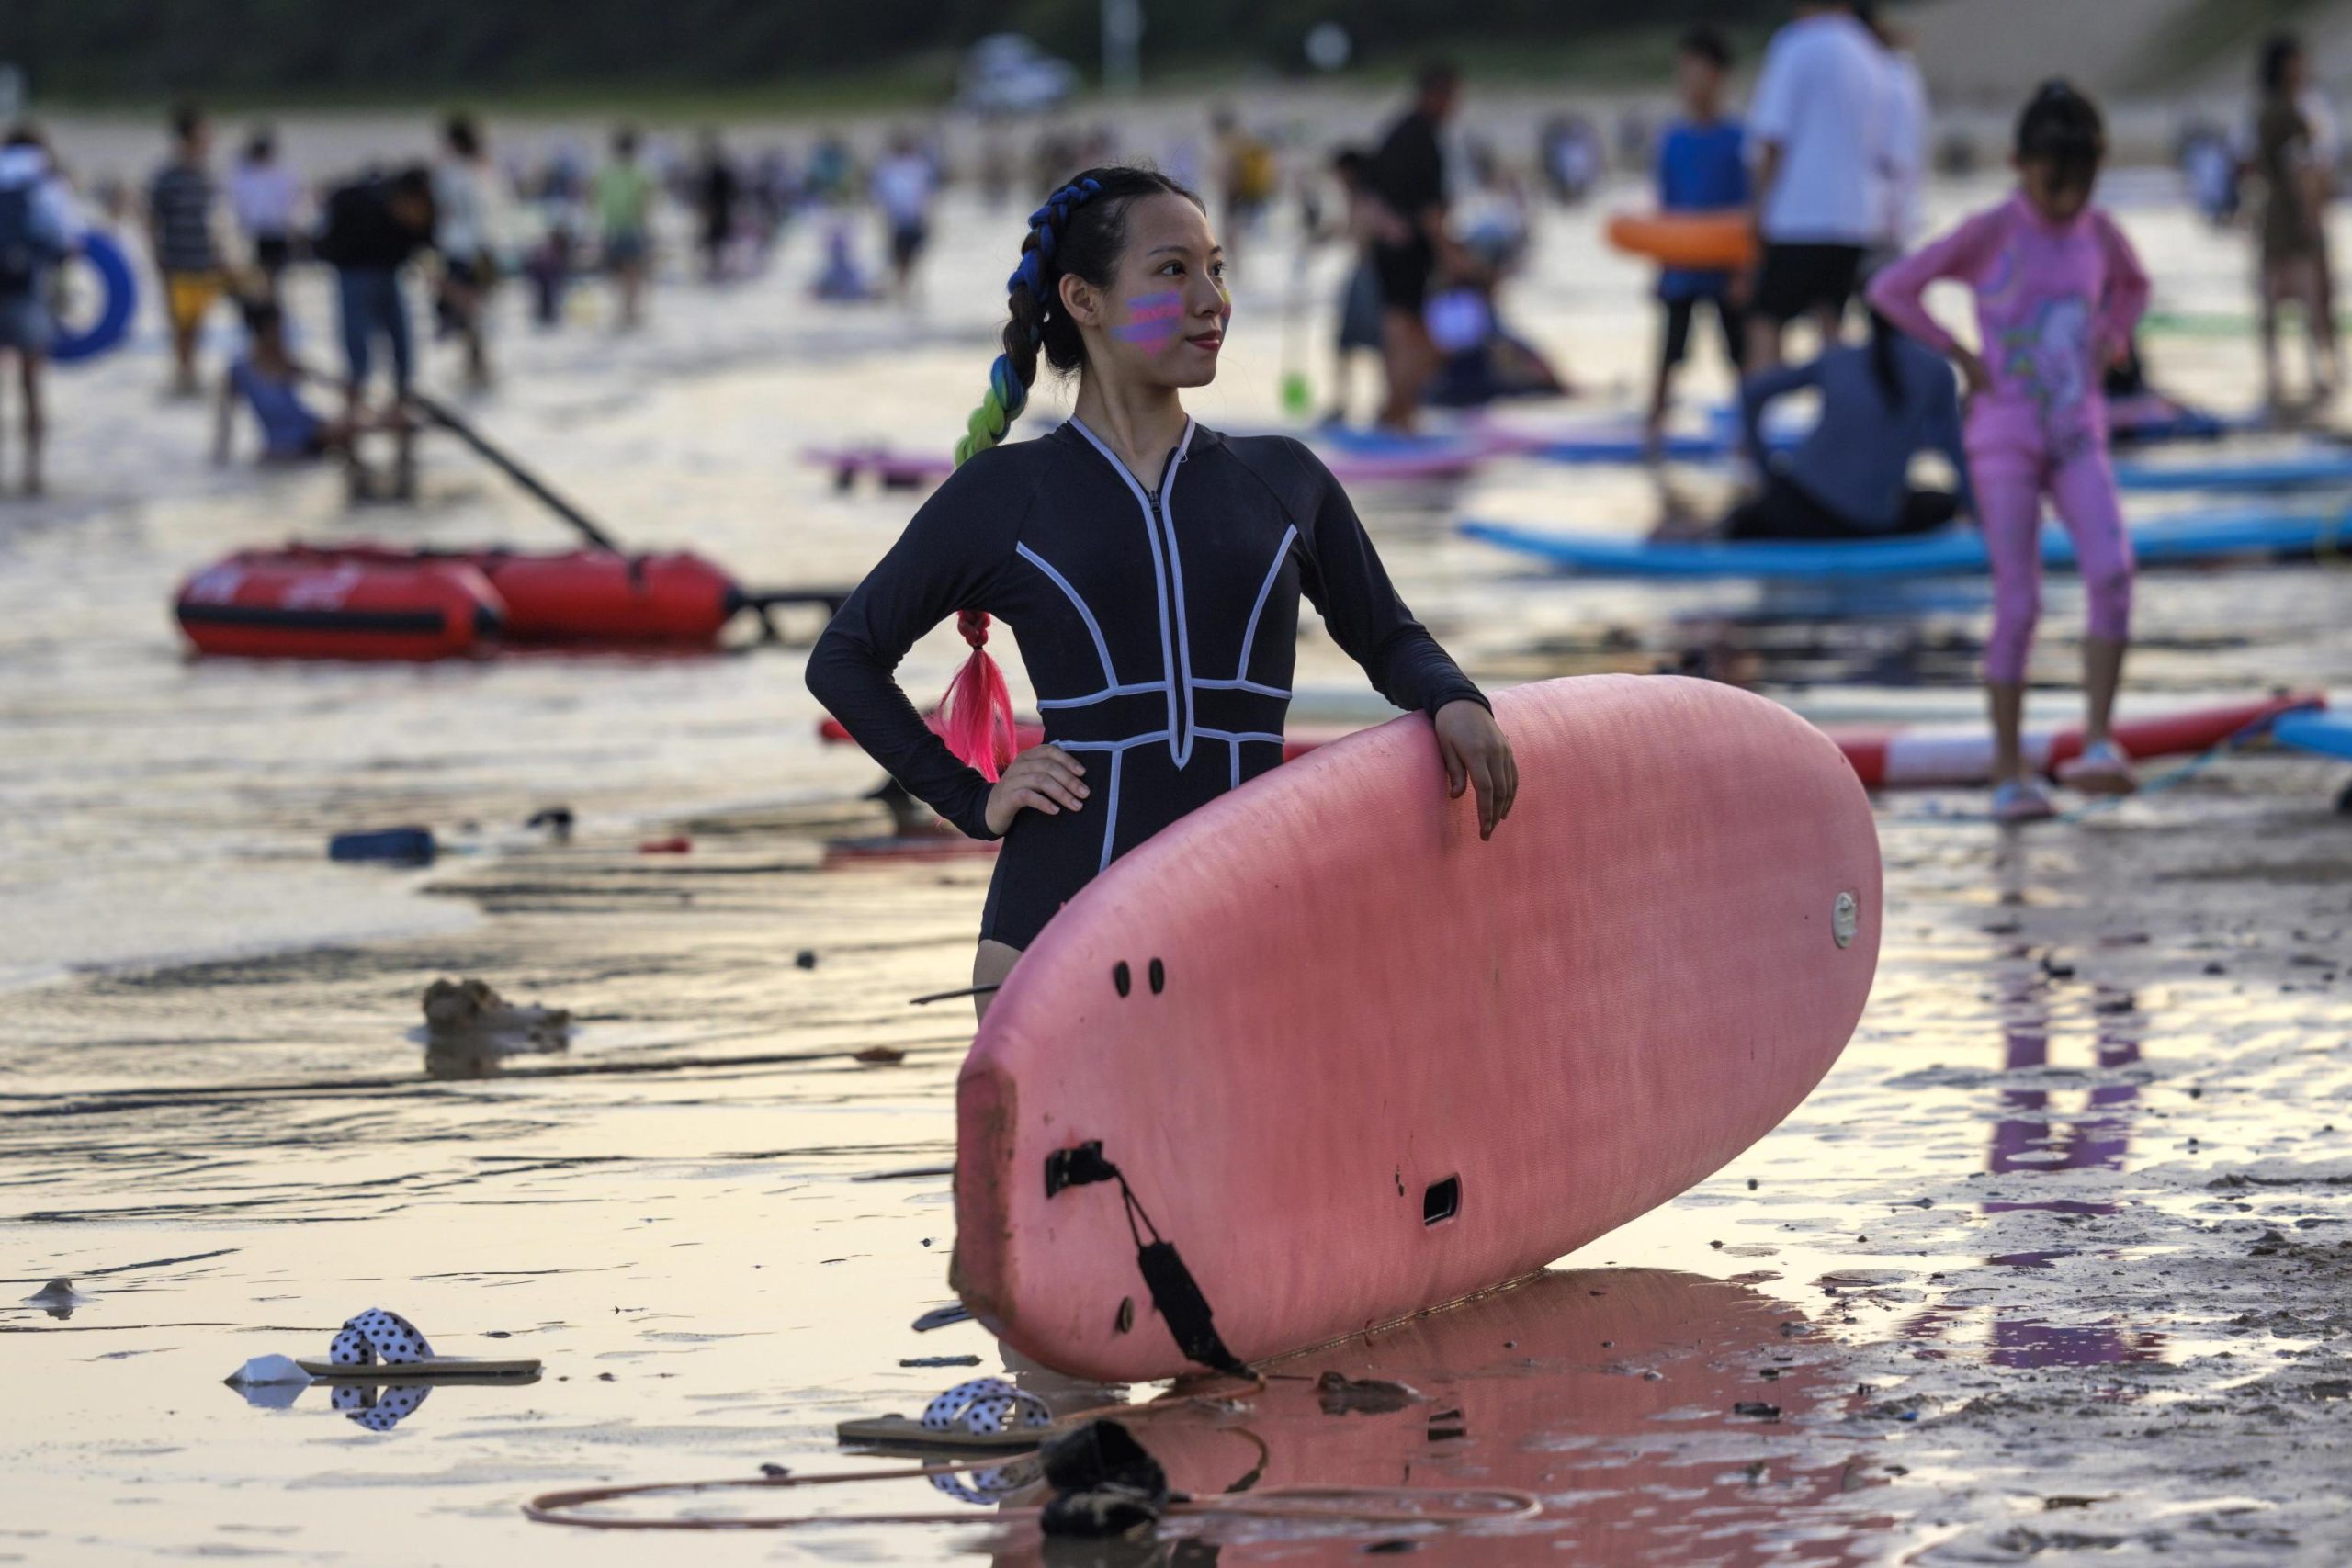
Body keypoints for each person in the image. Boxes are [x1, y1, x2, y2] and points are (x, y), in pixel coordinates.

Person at [807, 168, 1517, 1017]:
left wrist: (1454, 698)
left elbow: (1389, 636)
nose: (1211, 298)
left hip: (1250, 916)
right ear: (1084, 299)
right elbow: (844, 659)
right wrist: (972, 799)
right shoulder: (1007, 494)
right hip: (1056, 930)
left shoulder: (1282, 480)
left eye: (1216, 269)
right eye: (1173, 271)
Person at [1868, 81, 2151, 823]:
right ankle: (2007, 769)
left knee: (2114, 570)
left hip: (2078, 431)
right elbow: (1894, 289)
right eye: (2054, 183)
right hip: (2003, 436)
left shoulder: (2099, 232)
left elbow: (2135, 284)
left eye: (2083, 184)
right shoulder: (1992, 231)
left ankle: (2096, 742)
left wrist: (2114, 336)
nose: (2067, 201)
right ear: (2018, 163)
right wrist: (1959, 353)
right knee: (2019, 602)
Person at [1706, 313, 1972, 540]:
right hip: (1865, 523)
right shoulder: (1936, 370)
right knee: (1941, 503)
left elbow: (1750, 393)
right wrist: (1982, 516)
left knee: (1724, 526)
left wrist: (1767, 469)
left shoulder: (1838, 358)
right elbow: (1955, 451)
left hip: (1793, 505)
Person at [1744, 2, 1886, 376]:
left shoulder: (1796, 44)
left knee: (1766, 320)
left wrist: (1757, 205)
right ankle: (1837, 421)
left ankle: (1758, 424)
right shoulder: (1867, 50)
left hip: (1800, 216)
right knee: (1830, 321)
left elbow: (1773, 136)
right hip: (1854, 217)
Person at [1647, 26, 1748, 459]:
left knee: (1740, 358)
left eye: (1699, 74)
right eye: (1683, 75)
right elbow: (1665, 210)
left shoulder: (1739, 139)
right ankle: (1652, 434)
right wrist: (1661, 270)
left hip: (1726, 268)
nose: (1690, 84)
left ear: (1719, 77)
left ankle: (1749, 435)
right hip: (1682, 273)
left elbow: (1750, 208)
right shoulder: (1672, 140)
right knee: (1668, 357)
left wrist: (1746, 271)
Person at [312, 164, 435, 492]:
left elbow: (424, 253)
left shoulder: (421, 212)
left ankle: (400, 404)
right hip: (354, 274)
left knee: (402, 342)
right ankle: (355, 410)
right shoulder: (366, 207)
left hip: (388, 274)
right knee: (358, 347)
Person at [1366, 63, 1470, 431]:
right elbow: (1430, 210)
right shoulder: (1422, 138)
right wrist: (1451, 256)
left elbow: (1370, 190)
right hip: (1406, 253)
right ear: (1435, 95)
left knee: (1402, 332)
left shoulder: (1398, 131)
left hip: (1390, 251)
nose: (1455, 106)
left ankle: (1394, 411)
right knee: (1414, 336)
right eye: (1452, 97)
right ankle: (1399, 414)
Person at [212, 298, 411, 478]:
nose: (282, 336)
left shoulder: (286, 362)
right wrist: (221, 460)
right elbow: (225, 421)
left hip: (310, 430)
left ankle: (382, 473)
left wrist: (362, 395)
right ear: (263, 331)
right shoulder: (239, 372)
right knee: (355, 428)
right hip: (284, 443)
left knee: (380, 422)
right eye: (277, 330)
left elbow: (330, 382)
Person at [2252, 34, 2340, 410]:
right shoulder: (2289, 113)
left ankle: (2275, 377)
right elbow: (2297, 171)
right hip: (2291, 214)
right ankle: (2319, 373)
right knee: (2308, 294)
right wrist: (2310, 218)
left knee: (2272, 300)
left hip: (2271, 211)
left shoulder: (2263, 110)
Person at [0, 125, 83, 497]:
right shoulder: (44, 182)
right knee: (31, 385)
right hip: (27, 294)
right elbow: (66, 242)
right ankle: (33, 474)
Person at [147, 104, 227, 396]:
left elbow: (216, 221)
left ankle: (192, 370)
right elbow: (153, 219)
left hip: (204, 258)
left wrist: (221, 255)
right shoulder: (166, 176)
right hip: (176, 258)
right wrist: (156, 254)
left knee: (199, 321)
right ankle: (183, 373)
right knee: (180, 322)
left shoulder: (207, 175)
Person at [1860, 1, 1929, 267]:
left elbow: (1898, 155)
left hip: (1882, 213)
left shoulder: (1891, 74)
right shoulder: (1897, 70)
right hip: (1888, 208)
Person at [433, 115, 499, 390]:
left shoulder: (449, 173)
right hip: (484, 247)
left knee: (465, 308)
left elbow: (444, 212)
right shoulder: (483, 170)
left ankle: (476, 364)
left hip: (459, 247)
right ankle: (477, 364)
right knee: (474, 309)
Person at [227, 128, 300, 293]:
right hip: (255, 233)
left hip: (275, 232)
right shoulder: (245, 174)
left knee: (275, 277)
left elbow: (289, 202)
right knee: (259, 278)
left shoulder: (278, 174)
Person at [594, 127, 653, 329]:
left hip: (612, 226)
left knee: (619, 272)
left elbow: (598, 199)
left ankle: (622, 310)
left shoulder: (607, 172)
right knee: (633, 271)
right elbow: (644, 201)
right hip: (631, 226)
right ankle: (630, 312)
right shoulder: (638, 172)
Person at [870, 132, 936, 301]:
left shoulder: (918, 166)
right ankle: (904, 294)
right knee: (901, 260)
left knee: (913, 259)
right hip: (898, 222)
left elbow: (925, 195)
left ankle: (908, 293)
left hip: (914, 220)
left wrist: (928, 218)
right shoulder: (887, 168)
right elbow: (881, 198)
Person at [692, 130, 739, 283]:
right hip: (722, 209)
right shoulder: (723, 170)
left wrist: (706, 209)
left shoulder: (713, 172)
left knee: (714, 242)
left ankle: (717, 269)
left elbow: (711, 193)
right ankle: (719, 269)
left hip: (717, 210)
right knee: (717, 242)